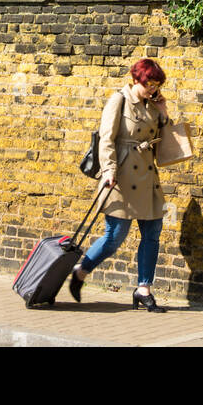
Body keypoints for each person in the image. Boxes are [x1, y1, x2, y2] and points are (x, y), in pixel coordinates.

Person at [69, 57, 171, 311]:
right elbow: (106, 138)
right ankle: (82, 270)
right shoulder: (120, 100)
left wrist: (164, 113)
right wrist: (109, 170)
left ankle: (143, 288)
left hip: (147, 176)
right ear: (137, 79)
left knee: (153, 234)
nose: (153, 89)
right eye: (150, 83)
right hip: (122, 176)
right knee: (115, 236)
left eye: (157, 84)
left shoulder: (152, 106)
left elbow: (162, 140)